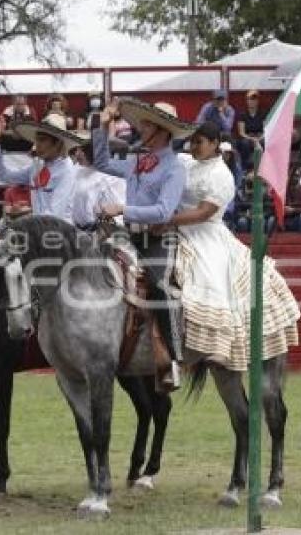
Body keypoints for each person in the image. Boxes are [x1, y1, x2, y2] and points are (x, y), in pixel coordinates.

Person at [160, 120, 300, 373]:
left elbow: (204, 212)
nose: (193, 146)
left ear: (215, 144)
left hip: (205, 234)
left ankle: (215, 345)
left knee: (210, 280)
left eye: (199, 142)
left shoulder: (221, 174)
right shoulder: (184, 161)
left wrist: (166, 219)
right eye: (192, 141)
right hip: (173, 228)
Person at [96, 98, 197, 389]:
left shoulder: (174, 168)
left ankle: (174, 360)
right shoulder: (136, 160)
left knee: (159, 285)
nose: (142, 127)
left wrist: (122, 209)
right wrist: (103, 126)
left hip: (157, 239)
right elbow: (101, 161)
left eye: (148, 124)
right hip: (129, 234)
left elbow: (165, 212)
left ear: (163, 131)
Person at [0, 114, 84, 223]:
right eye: (36, 140)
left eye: (42, 140)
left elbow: (55, 214)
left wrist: (26, 215)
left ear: (57, 143)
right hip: (40, 231)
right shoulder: (37, 165)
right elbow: (3, 175)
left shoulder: (67, 171)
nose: (37, 145)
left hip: (58, 234)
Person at [71, 143, 126, 231]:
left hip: (95, 231)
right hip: (73, 227)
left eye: (82, 151)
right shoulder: (76, 169)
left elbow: (115, 214)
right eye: (78, 149)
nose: (77, 154)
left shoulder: (111, 177)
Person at [235, 90, 264, 170]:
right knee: (244, 143)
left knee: (265, 141)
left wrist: (259, 138)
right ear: (247, 101)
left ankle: (263, 167)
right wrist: (252, 139)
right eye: (250, 99)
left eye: (254, 99)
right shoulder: (242, 114)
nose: (252, 101)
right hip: (247, 137)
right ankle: (245, 167)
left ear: (258, 101)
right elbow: (241, 133)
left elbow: (266, 129)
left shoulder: (262, 113)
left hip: (259, 136)